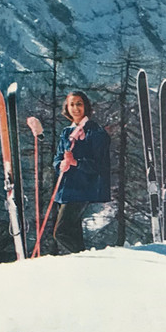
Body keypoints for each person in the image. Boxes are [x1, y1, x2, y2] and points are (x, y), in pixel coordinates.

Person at [51, 90, 111, 255]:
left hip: (83, 187)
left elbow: (100, 165)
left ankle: (86, 258)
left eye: (79, 104)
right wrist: (61, 164)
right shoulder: (66, 132)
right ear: (67, 108)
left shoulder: (96, 132)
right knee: (73, 232)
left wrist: (76, 162)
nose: (75, 108)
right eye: (71, 104)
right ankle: (81, 261)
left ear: (86, 106)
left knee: (61, 232)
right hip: (67, 189)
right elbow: (56, 159)